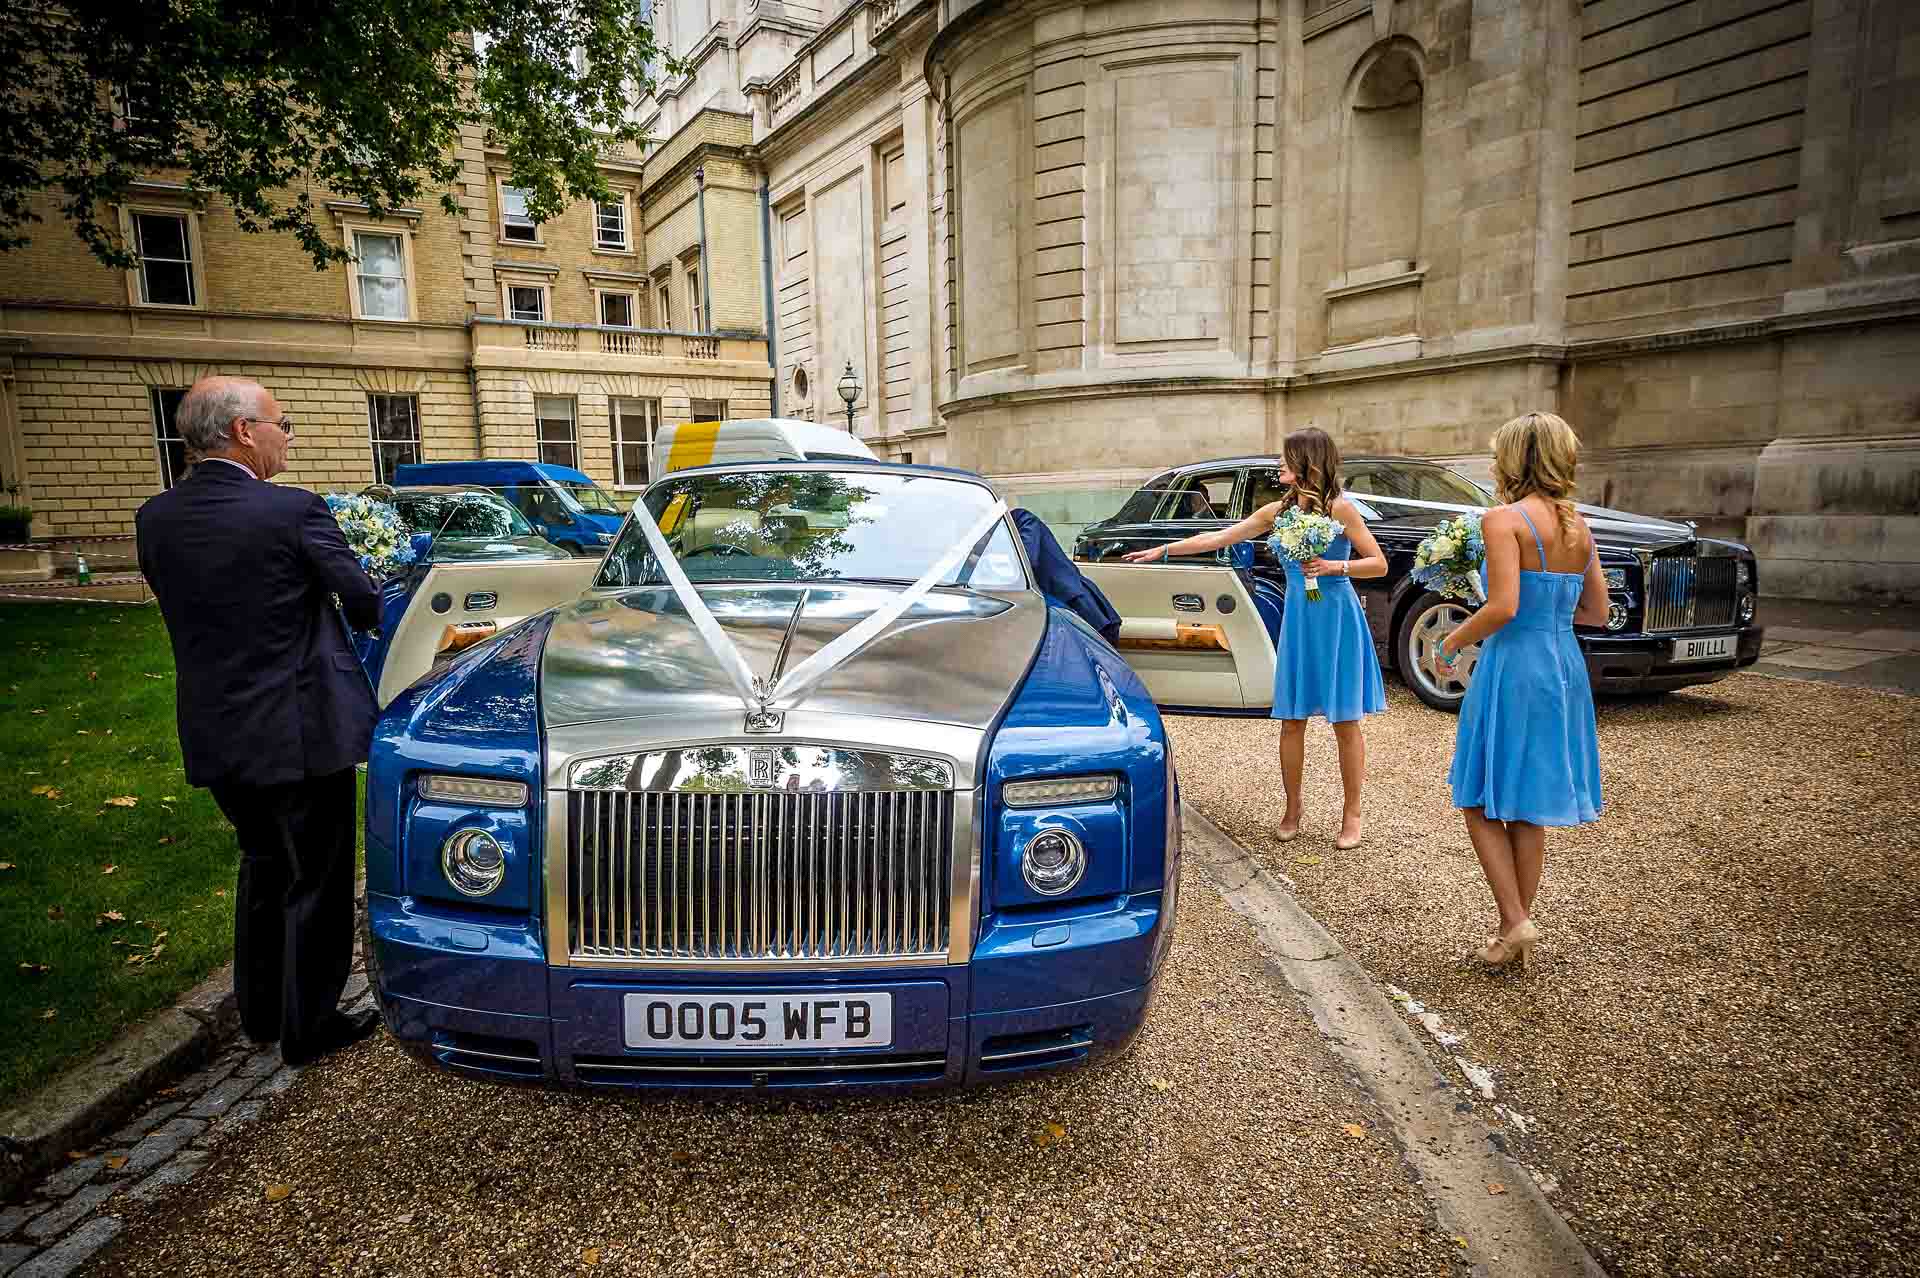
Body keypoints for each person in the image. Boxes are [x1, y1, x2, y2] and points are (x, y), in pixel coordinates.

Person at [135, 377, 381, 1065]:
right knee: (319, 878)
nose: (287, 437)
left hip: (217, 726)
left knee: (263, 863)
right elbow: (362, 599)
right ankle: (310, 1026)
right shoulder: (292, 511)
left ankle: (263, 1012)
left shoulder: (154, 518)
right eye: (282, 424)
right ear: (244, 431)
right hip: (301, 728)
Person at [1123, 428, 1387, 848]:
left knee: (1345, 720)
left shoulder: (1342, 510)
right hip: (1299, 621)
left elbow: (1378, 564)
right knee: (1292, 719)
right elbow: (1220, 537)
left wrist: (1335, 568)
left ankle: (1352, 816)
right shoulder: (1276, 513)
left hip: (1337, 618)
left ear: (1307, 463)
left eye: (1286, 459)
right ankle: (1293, 808)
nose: (1279, 466)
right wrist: (1163, 551)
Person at [1435, 411, 1608, 971]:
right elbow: (1598, 613)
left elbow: (1504, 606)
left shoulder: (1503, 519)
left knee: (1479, 796)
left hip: (1514, 665)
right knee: (1527, 804)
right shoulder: (1579, 526)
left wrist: (1452, 641)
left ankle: (1514, 921)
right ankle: (1514, 934)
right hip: (1562, 665)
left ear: (1512, 459)